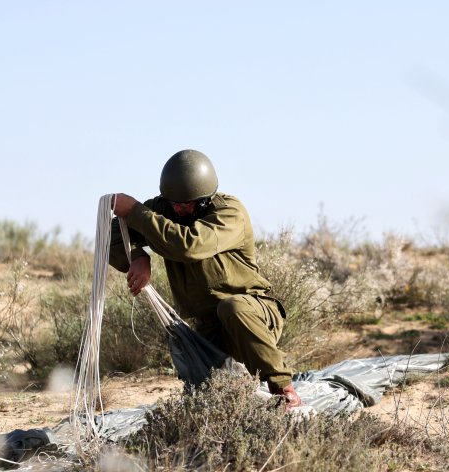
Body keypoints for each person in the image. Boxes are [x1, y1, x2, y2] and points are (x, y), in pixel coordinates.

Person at [107, 149, 302, 407]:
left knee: (232, 307)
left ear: (204, 198)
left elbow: (189, 245)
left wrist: (134, 211)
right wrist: (138, 256)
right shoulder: (164, 209)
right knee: (208, 402)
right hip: (209, 329)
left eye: (186, 204)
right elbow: (112, 237)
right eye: (174, 203)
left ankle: (284, 389)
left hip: (253, 316)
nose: (179, 208)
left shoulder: (229, 212)